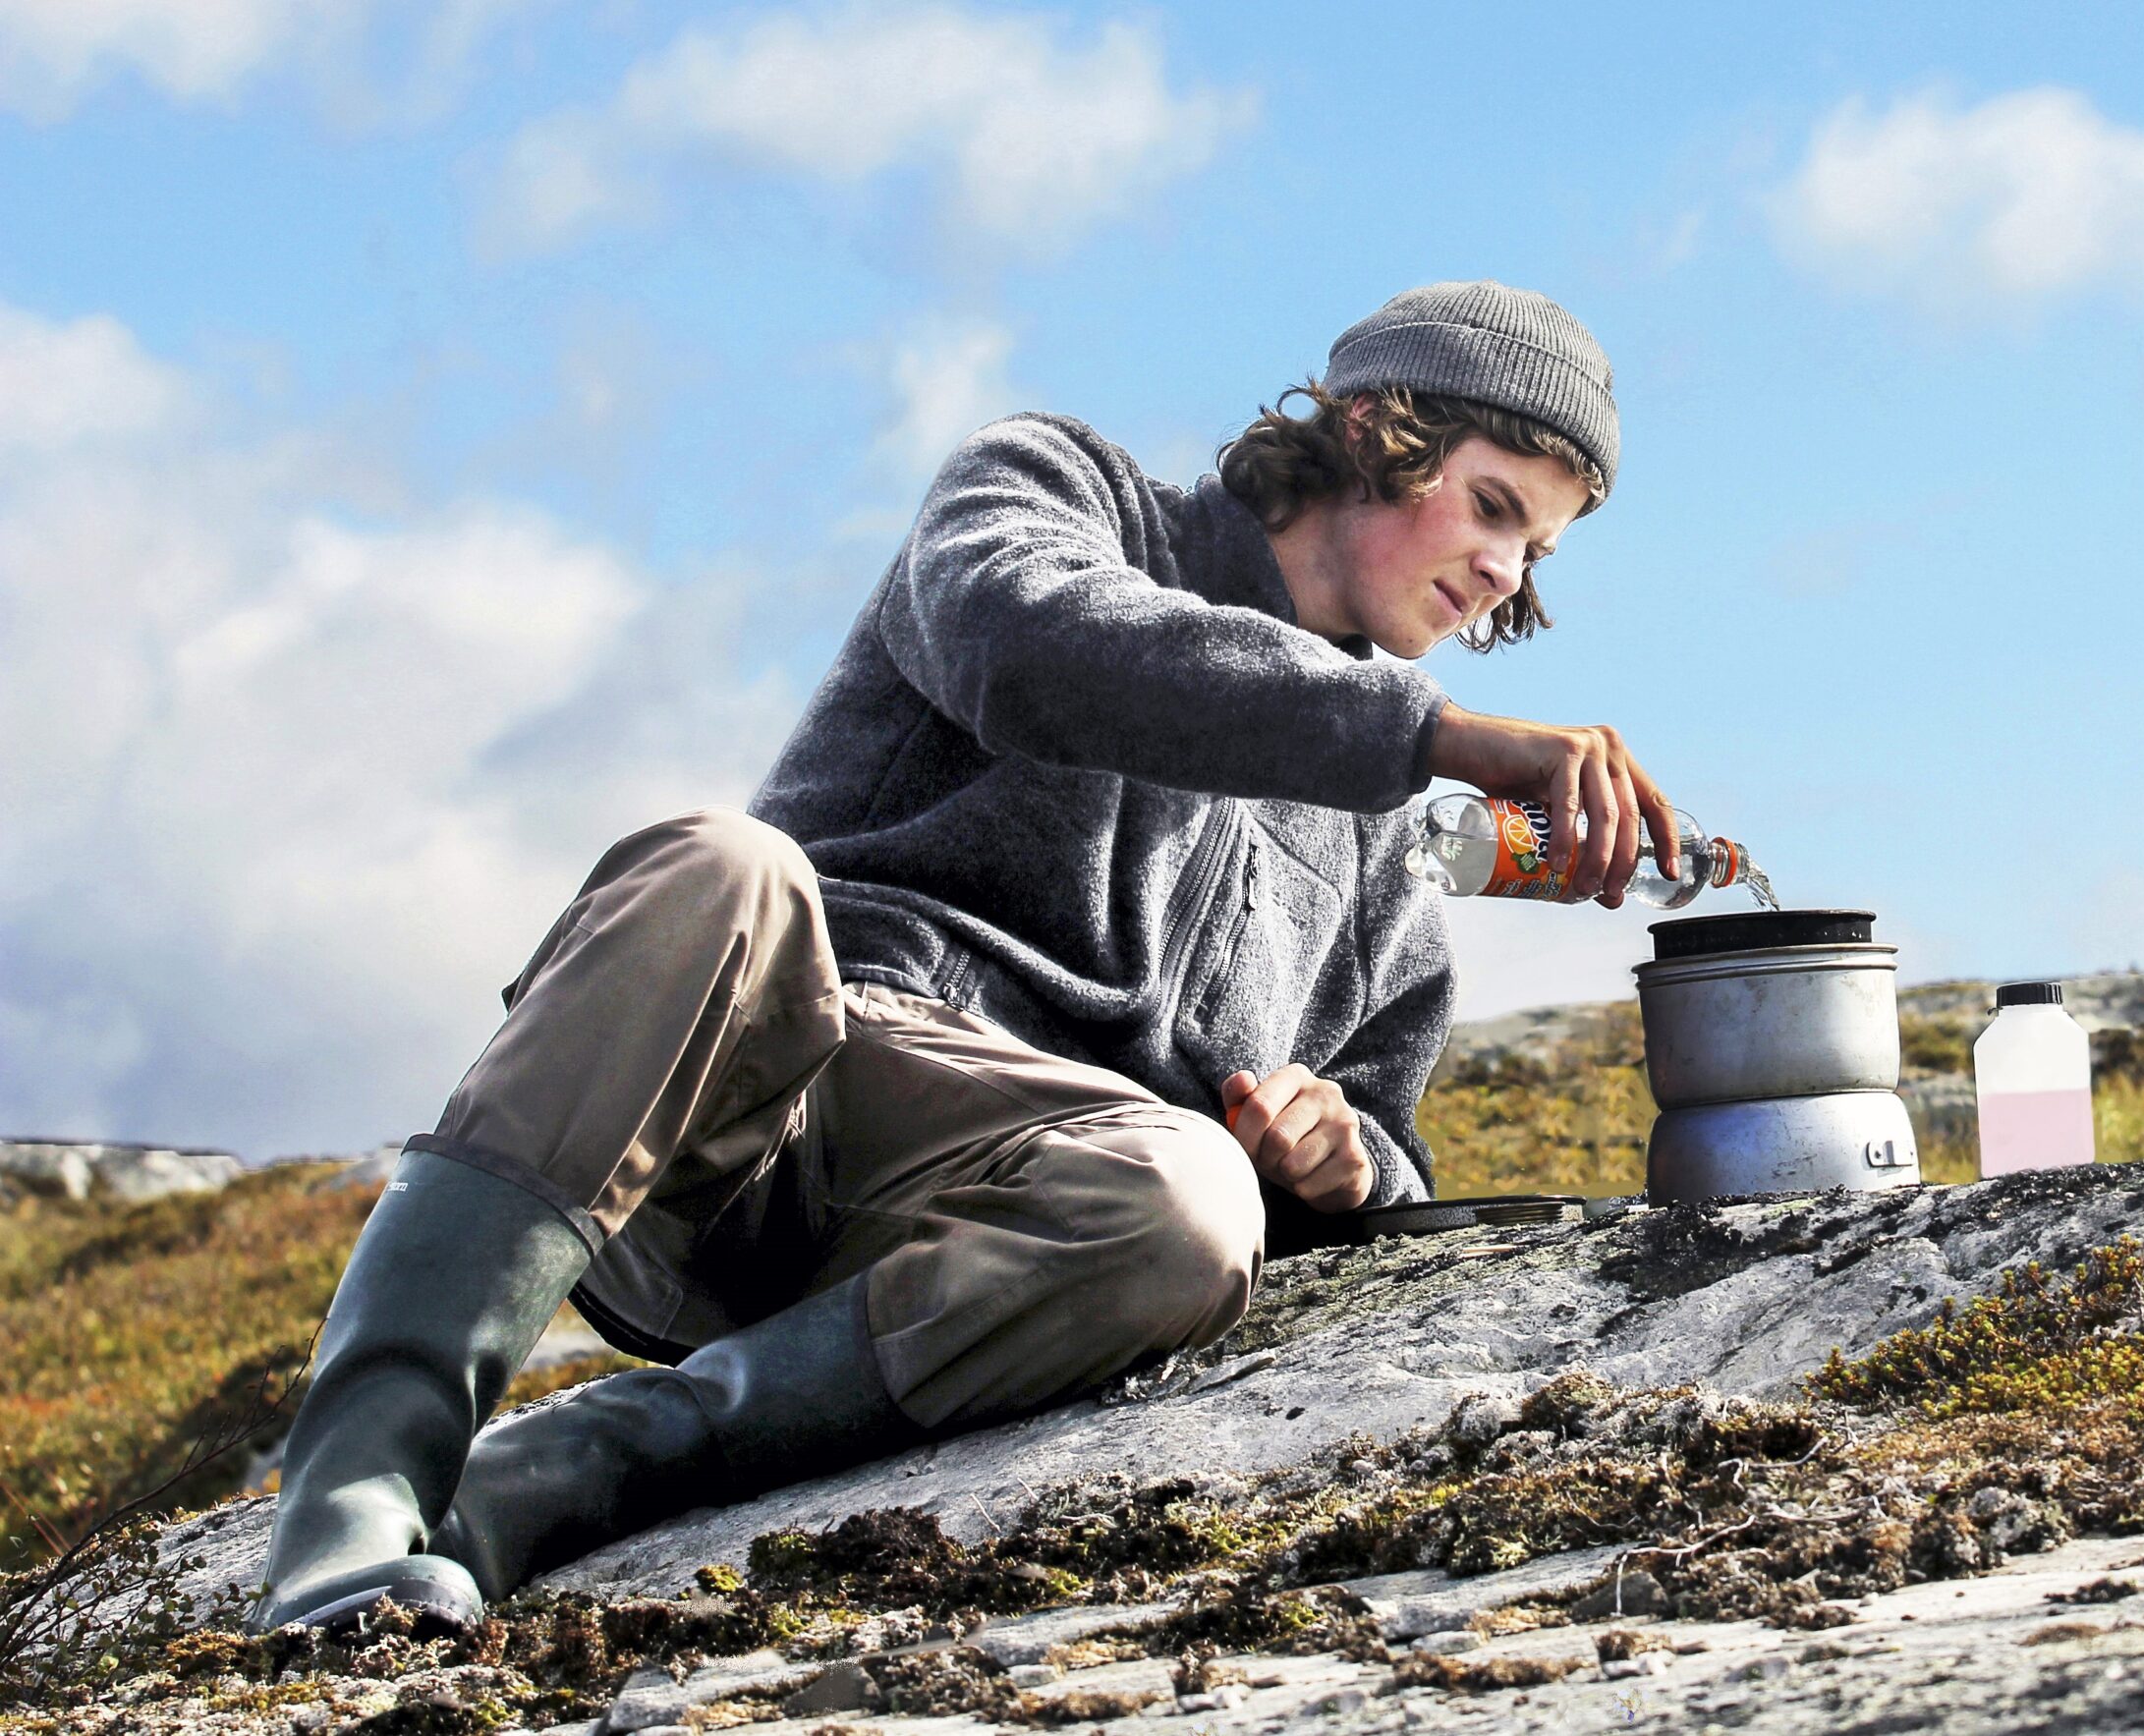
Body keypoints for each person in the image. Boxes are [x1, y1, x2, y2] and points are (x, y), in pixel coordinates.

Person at [249, 281, 1680, 1634]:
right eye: (1493, 508)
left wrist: (1342, 1159)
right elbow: (1028, 640)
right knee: (715, 866)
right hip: (764, 1108)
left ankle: (563, 1473)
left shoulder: (1384, 856)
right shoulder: (1061, 491)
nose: (1503, 575)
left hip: (982, 1244)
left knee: (1187, 1199)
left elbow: (1388, 1147)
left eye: (1536, 552)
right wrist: (1430, 737)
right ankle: (350, 1516)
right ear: (1380, 430)